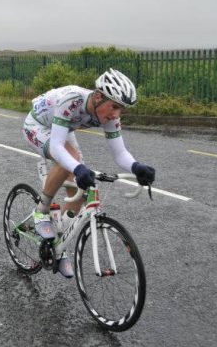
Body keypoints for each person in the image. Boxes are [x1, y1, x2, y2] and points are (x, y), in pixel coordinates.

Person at [22, 68, 156, 278]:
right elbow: (57, 147)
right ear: (97, 96)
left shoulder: (109, 113)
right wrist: (76, 167)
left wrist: (136, 167)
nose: (115, 115)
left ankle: (58, 242)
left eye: (121, 110)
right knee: (72, 160)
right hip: (37, 125)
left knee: (82, 189)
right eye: (114, 107)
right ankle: (41, 210)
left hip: (62, 128)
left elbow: (120, 153)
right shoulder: (73, 100)